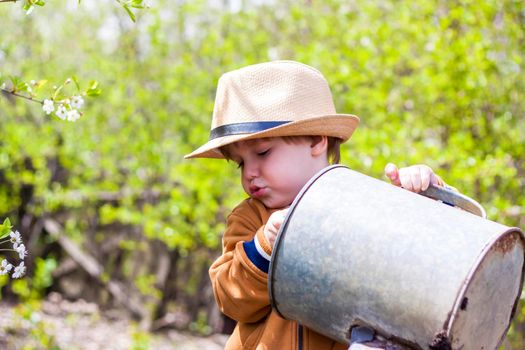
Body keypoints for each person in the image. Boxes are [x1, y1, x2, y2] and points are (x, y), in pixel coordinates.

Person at [185, 61, 451, 350]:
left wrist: (426, 196)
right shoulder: (251, 218)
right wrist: (263, 247)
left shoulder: (363, 205)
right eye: (240, 163)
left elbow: (428, 266)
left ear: (316, 141)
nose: (249, 172)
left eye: (262, 153)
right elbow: (231, 298)